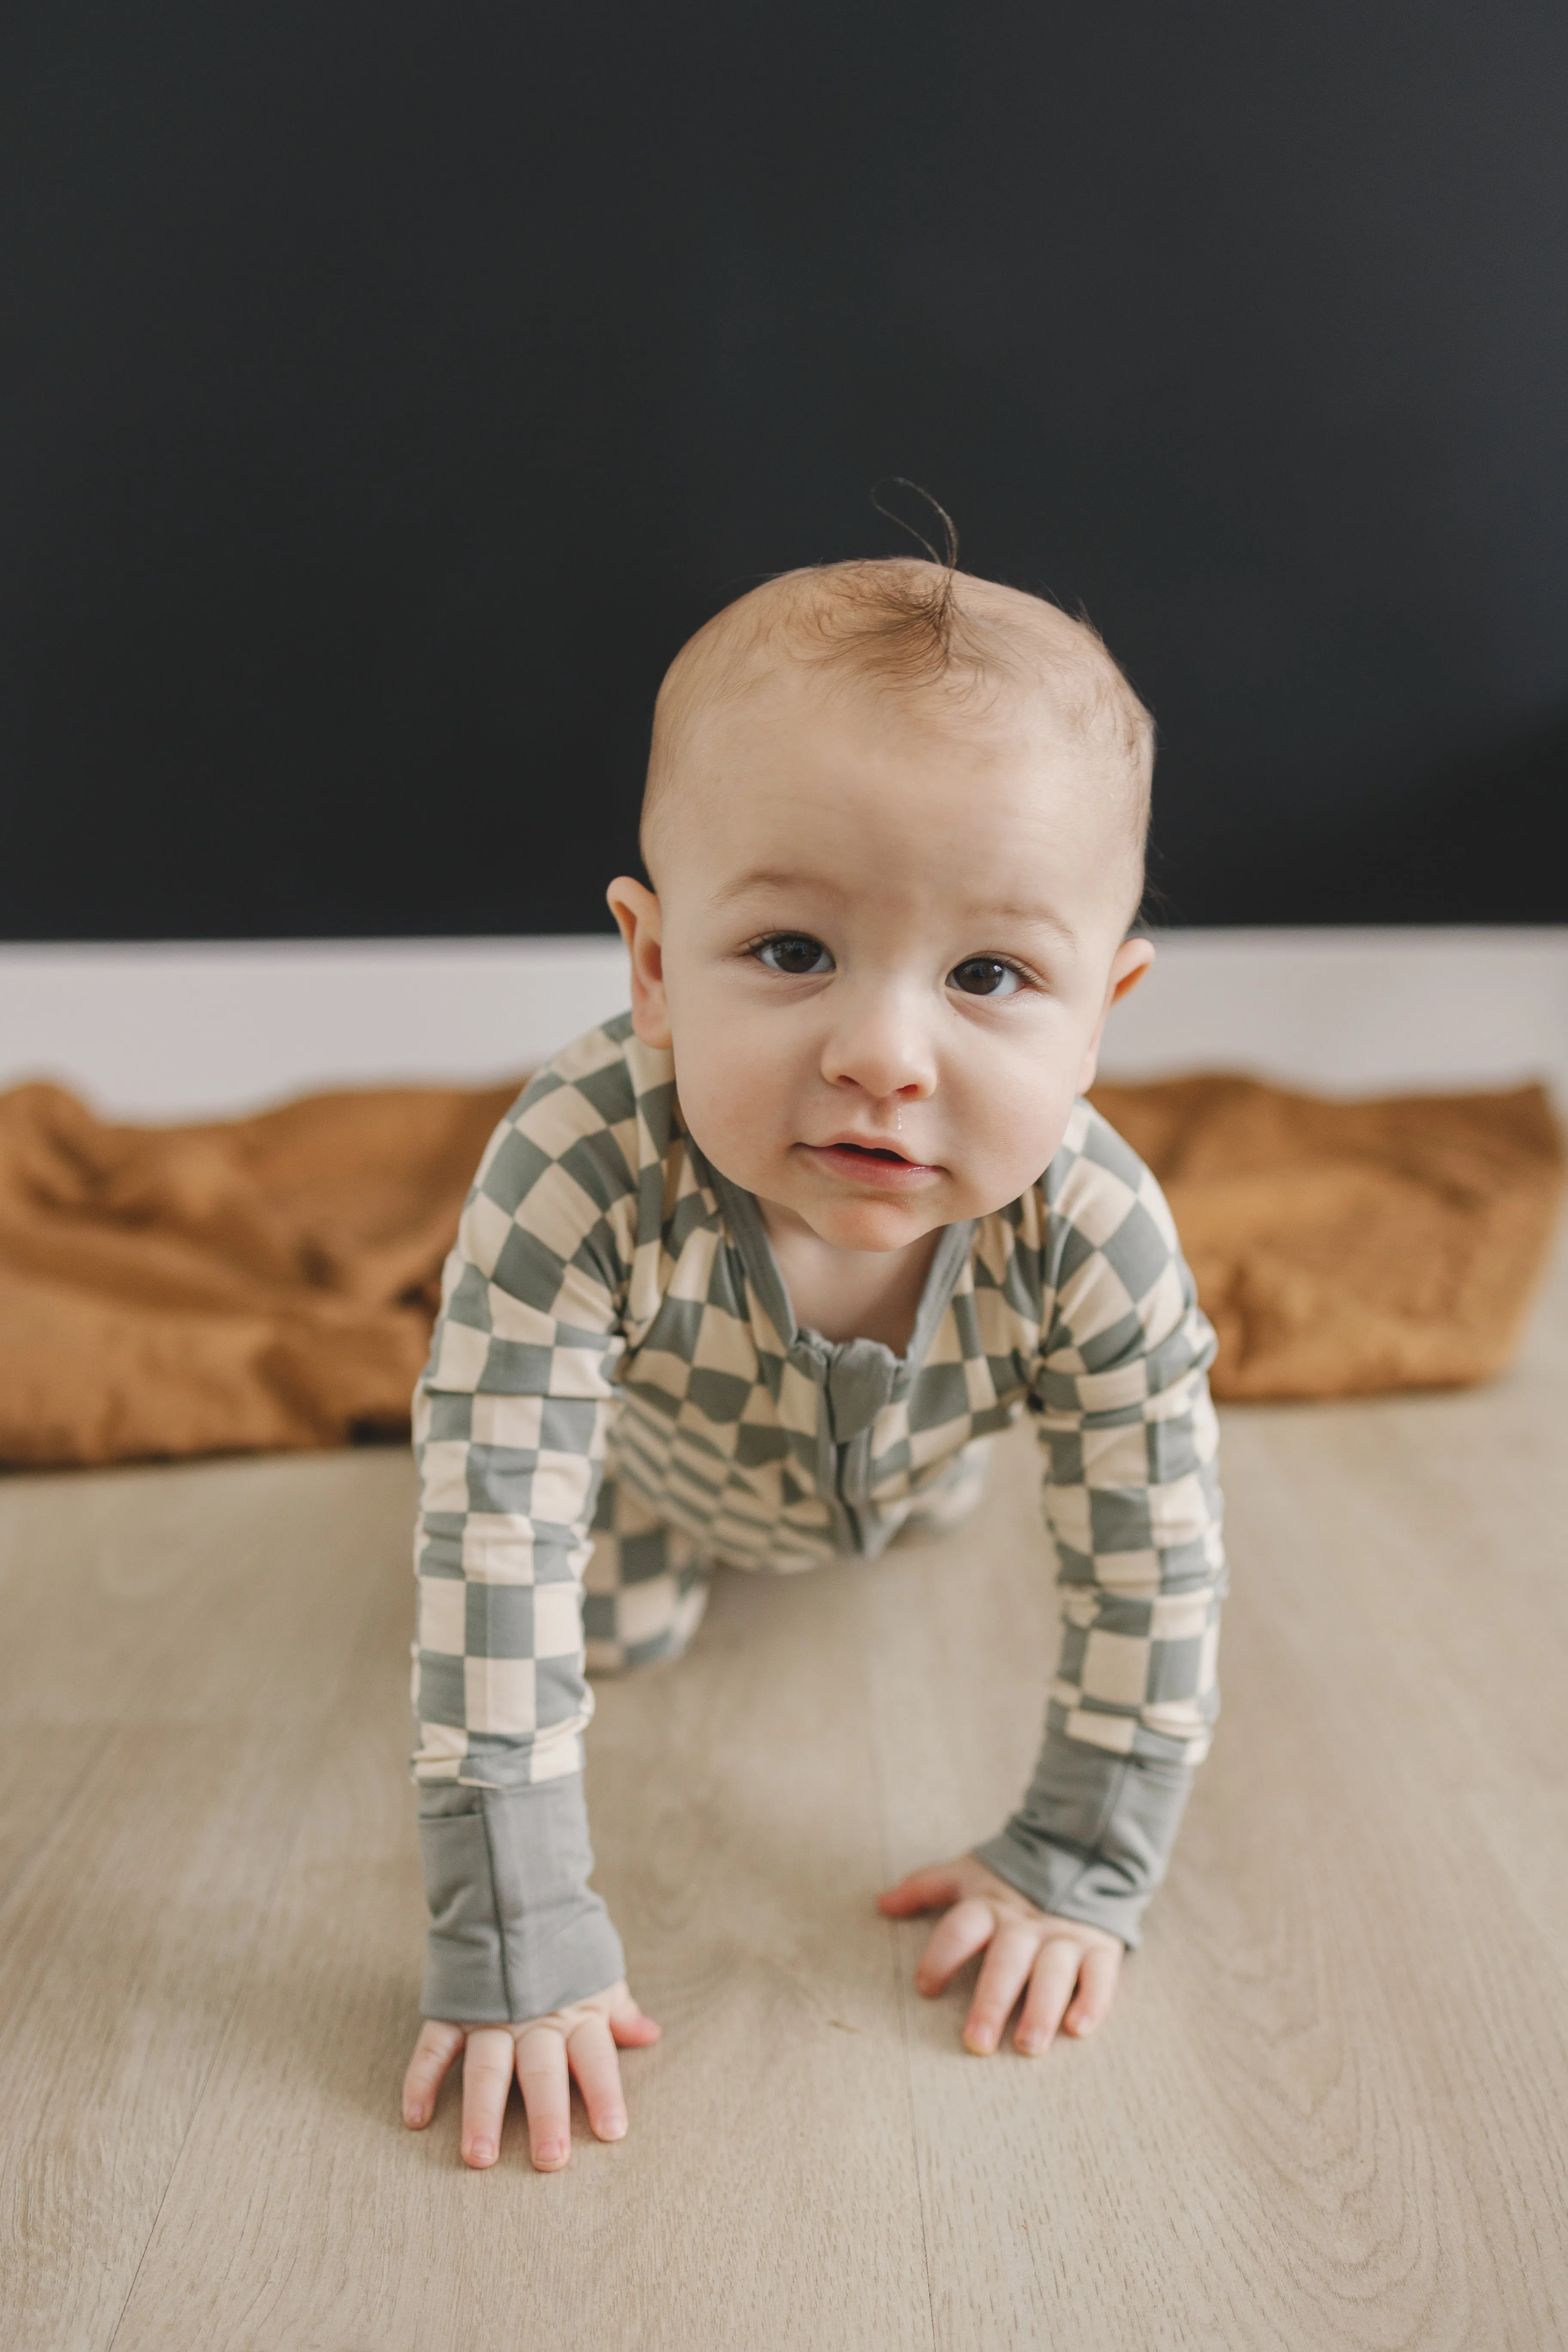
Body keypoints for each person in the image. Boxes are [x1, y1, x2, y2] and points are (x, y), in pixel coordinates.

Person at [399, 553, 1226, 2170]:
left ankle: (885, 1515)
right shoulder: (580, 1167)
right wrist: (511, 1937)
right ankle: (672, 1563)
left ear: (1104, 1012)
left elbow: (1157, 1550)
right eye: (792, 952)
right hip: (652, 1478)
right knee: (612, 1626)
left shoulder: (1095, 1225)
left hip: (921, 1467)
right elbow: (496, 1525)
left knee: (926, 1528)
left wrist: (1084, 1859)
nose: (882, 1057)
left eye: (991, 977)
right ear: (652, 967)